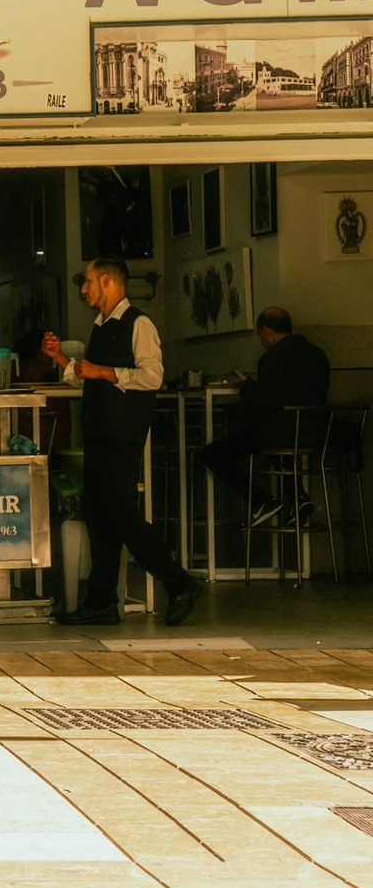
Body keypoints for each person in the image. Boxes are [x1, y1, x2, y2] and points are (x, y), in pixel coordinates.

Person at [43, 256, 204, 626]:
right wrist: (61, 358)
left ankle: (178, 582)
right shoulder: (101, 325)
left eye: (88, 282)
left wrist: (102, 371)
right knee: (99, 516)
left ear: (106, 281)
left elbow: (152, 376)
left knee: (121, 514)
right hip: (99, 431)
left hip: (122, 432)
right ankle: (101, 602)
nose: (84, 290)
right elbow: (89, 376)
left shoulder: (138, 323)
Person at [198, 307, 330, 526]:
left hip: (280, 433)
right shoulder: (318, 354)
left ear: (268, 330)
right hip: (315, 432)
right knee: (278, 442)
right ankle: (298, 498)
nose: (262, 341)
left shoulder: (275, 357)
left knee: (212, 454)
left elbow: (263, 402)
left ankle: (260, 500)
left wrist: (246, 389)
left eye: (260, 335)